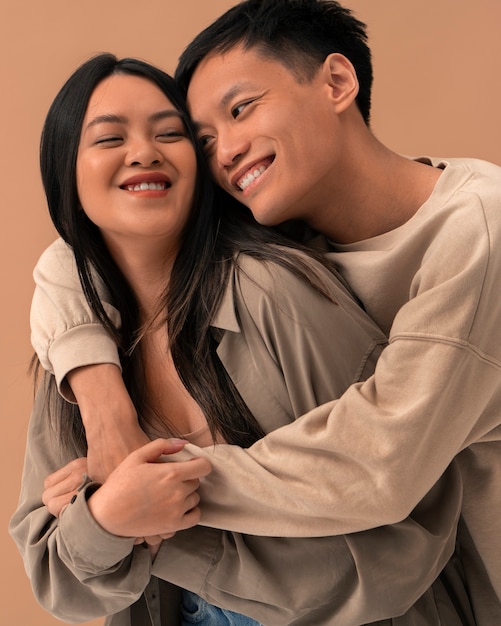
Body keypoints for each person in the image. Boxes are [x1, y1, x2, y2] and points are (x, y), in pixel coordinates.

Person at [21, 0, 501, 623]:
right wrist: (100, 396)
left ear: (336, 82)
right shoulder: (282, 219)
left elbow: (382, 468)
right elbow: (79, 248)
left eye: (240, 109)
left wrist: (134, 499)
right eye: (204, 138)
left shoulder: (476, 236)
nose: (223, 152)